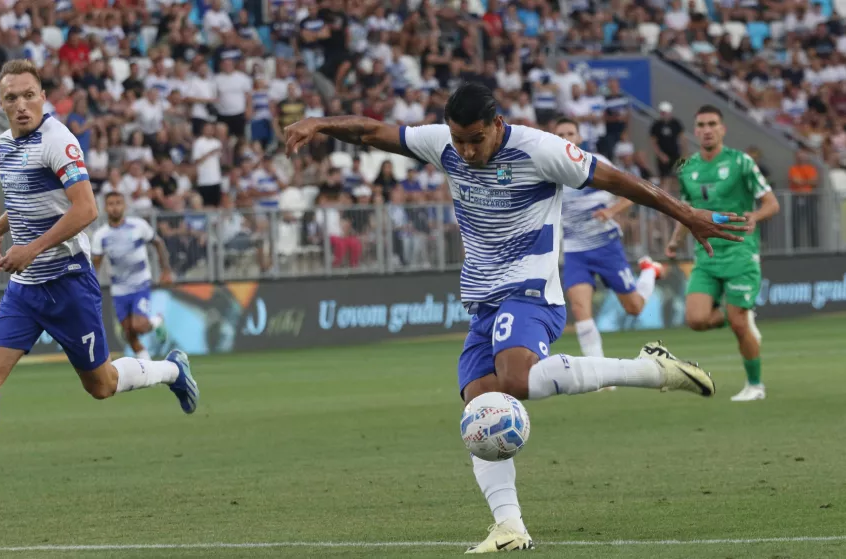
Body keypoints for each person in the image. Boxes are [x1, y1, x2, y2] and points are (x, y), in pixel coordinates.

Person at [283, 82, 747, 552]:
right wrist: (320, 123)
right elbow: (374, 133)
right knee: (479, 409)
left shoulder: (540, 149)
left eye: (476, 139)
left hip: (531, 289)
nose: (465, 150)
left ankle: (652, 371)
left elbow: (615, 179)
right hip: (482, 299)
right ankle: (510, 527)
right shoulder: (443, 143)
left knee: (518, 379)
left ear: (498, 125)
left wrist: (685, 213)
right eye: (458, 139)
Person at [0, 60, 199, 521]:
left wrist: (29, 248)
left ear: (43, 97)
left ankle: (172, 370)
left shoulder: (58, 141)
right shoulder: (5, 143)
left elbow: (85, 208)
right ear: (1, 102)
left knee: (101, 385)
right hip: (26, 289)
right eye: (11, 97)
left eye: (29, 95)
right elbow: (24, 200)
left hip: (69, 282)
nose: (21, 105)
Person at [666, 105, 780, 403]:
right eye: (701, 124)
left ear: (722, 129)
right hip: (706, 254)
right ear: (695, 130)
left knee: (739, 323)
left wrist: (756, 216)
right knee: (695, 319)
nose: (706, 129)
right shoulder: (686, 167)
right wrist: (675, 242)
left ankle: (755, 386)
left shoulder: (741, 162)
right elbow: (686, 212)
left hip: (740, 251)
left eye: (712, 124)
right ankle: (739, 317)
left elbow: (771, 203)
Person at [555, 118, 665, 370]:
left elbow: (634, 190)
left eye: (571, 132)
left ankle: (649, 271)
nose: (566, 137)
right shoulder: (550, 170)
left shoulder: (596, 163)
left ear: (579, 137)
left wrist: (613, 210)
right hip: (574, 251)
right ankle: (598, 373)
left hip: (606, 246)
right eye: (561, 133)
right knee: (580, 309)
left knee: (634, 308)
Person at [91, 192, 174, 360]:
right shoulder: (101, 235)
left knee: (139, 326)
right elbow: (96, 265)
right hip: (119, 289)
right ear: (105, 208)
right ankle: (147, 363)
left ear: (125, 206)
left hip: (140, 284)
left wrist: (166, 270)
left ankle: (157, 321)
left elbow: (158, 243)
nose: (115, 207)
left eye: (118, 203)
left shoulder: (138, 226)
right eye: (111, 204)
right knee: (128, 332)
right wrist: (90, 289)